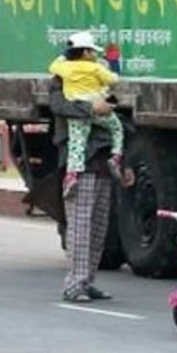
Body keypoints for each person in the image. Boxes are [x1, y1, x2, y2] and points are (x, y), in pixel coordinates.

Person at [51, 75, 128, 302]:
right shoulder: (62, 79)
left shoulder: (99, 80)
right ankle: (75, 283)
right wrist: (91, 108)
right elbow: (59, 106)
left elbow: (117, 118)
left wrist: (126, 164)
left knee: (98, 228)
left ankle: (87, 281)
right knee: (80, 226)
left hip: (104, 164)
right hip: (80, 165)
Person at [50, 31, 124, 199]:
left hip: (76, 110)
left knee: (77, 144)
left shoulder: (65, 68)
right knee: (117, 129)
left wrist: (67, 53)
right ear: (85, 52)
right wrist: (113, 64)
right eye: (92, 51)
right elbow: (113, 80)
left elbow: (53, 66)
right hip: (97, 106)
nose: (95, 54)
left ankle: (71, 176)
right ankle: (116, 156)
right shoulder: (95, 68)